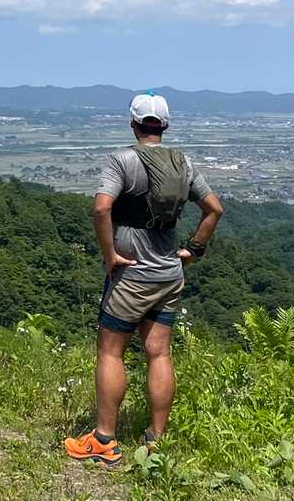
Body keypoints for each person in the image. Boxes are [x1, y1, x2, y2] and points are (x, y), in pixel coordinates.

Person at [65, 92, 224, 467]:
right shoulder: (182, 162)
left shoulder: (122, 160)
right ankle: (156, 439)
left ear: (133, 124)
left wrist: (110, 255)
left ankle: (104, 440)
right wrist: (193, 250)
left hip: (131, 276)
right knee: (159, 352)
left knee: (110, 351)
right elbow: (214, 209)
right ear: (164, 126)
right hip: (168, 273)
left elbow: (101, 207)